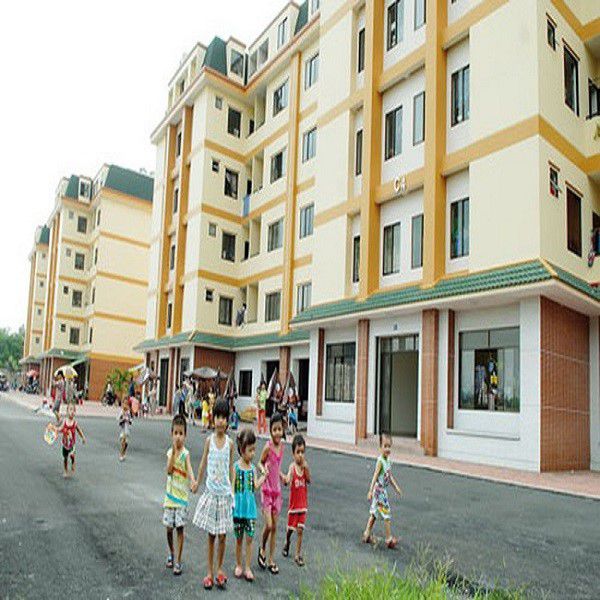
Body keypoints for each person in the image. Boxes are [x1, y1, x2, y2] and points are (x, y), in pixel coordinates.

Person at [192, 399, 234, 590]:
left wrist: (233, 490)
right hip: (211, 492)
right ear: (213, 418)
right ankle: (209, 572)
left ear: (227, 420)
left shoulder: (230, 444)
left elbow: (231, 468)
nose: (220, 421)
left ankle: (219, 569)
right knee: (211, 535)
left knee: (223, 535)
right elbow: (203, 463)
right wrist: (196, 482)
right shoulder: (209, 441)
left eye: (224, 417)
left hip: (224, 495)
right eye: (218, 417)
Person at [163, 414, 197, 576]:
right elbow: (169, 471)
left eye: (181, 433)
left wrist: (193, 481)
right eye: (175, 433)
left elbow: (189, 469)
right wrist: (173, 452)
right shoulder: (170, 453)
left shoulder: (186, 454)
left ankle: (178, 560)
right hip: (170, 498)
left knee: (180, 529)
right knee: (169, 528)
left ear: (185, 435)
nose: (178, 437)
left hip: (181, 498)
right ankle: (171, 552)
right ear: (171, 434)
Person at [233, 428, 268, 582]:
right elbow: (232, 487)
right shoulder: (235, 467)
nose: (253, 453)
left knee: (249, 539)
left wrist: (264, 477)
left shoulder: (253, 469)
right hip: (238, 509)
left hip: (250, 509)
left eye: (254, 450)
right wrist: (231, 502)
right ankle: (238, 564)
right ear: (242, 450)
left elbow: (254, 487)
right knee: (239, 539)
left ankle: (247, 567)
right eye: (250, 450)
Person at [362, 433, 402, 549]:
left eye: (389, 446)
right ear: (380, 447)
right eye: (385, 446)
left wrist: (396, 487)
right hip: (379, 491)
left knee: (374, 513)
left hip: (380, 491)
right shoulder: (380, 461)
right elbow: (375, 476)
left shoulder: (387, 461)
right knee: (386, 514)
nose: (387, 449)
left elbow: (389, 476)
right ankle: (388, 538)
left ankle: (366, 534)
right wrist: (370, 491)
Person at [258, 412, 285, 575]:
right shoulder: (267, 447)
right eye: (274, 430)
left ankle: (271, 560)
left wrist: (282, 476)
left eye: (279, 429)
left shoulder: (282, 447)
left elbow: (277, 467)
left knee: (274, 528)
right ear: (270, 431)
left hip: (277, 492)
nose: (277, 433)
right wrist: (263, 471)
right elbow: (260, 463)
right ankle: (262, 547)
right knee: (268, 525)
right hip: (267, 490)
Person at [282, 434, 310, 566]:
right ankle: (287, 541)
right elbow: (288, 480)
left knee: (300, 530)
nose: (300, 455)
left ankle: (298, 555)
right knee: (290, 529)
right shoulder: (292, 468)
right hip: (293, 506)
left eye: (302, 452)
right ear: (293, 454)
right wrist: (284, 478)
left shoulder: (304, 467)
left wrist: (306, 468)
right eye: (298, 452)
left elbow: (308, 480)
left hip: (302, 505)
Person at [49, 403, 86, 478]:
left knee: (72, 455)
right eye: (70, 409)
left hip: (72, 444)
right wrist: (54, 429)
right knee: (65, 458)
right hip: (65, 444)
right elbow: (60, 429)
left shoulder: (75, 423)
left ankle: (73, 462)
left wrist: (83, 437)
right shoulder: (64, 421)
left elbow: (79, 430)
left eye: (74, 410)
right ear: (67, 412)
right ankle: (65, 471)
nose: (72, 412)